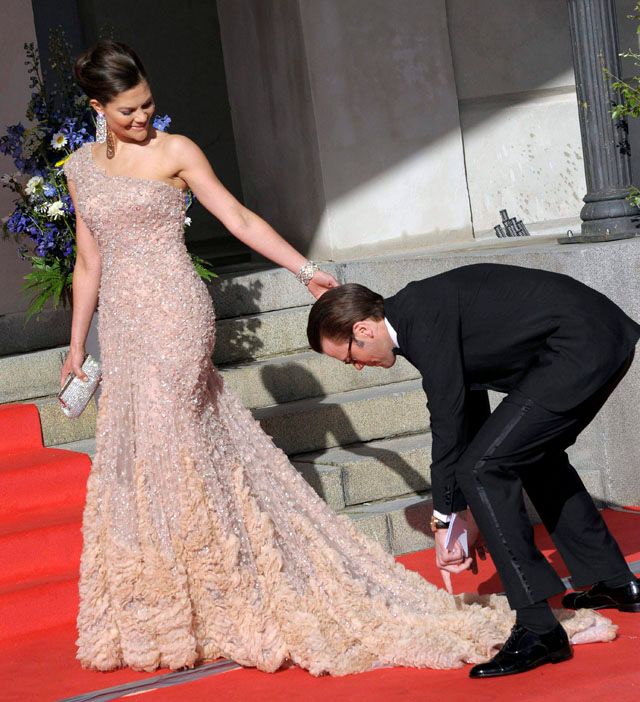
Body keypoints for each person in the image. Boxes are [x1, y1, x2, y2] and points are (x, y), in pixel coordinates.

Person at [62, 40, 614, 678]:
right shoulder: (80, 168)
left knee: (170, 444)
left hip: (175, 317)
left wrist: (305, 270)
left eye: (149, 103)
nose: (142, 118)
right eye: (128, 110)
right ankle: (172, 601)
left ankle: (214, 591)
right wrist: (79, 344)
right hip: (123, 328)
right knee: (140, 456)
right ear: (98, 107)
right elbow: (88, 260)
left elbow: (237, 217)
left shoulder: (176, 150)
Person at [307, 263, 640, 677]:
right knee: (528, 455)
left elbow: (447, 424)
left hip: (579, 346)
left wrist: (445, 517)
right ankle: (614, 580)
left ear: (362, 331)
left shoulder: (420, 319)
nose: (356, 366)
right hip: (599, 337)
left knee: (483, 469)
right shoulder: (414, 314)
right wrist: (465, 511)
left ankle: (539, 631)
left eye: (348, 358)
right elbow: (468, 406)